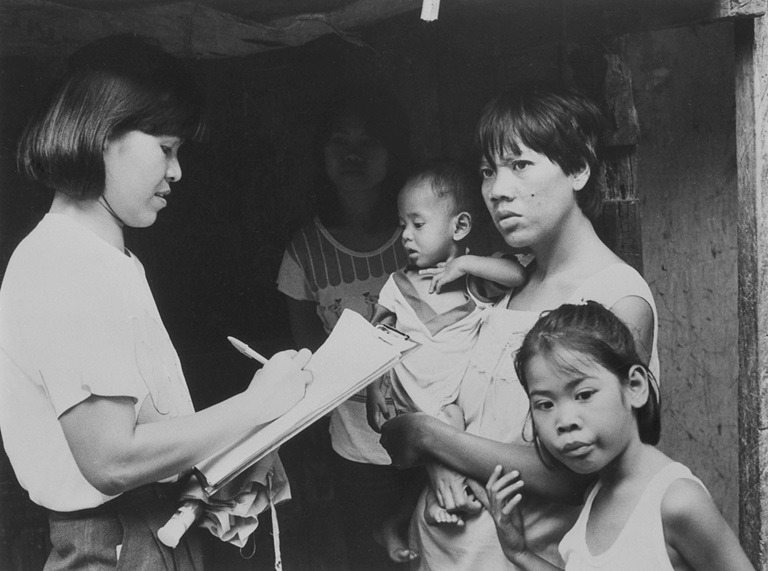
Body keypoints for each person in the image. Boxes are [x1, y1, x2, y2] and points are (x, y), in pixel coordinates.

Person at [0, 34, 313, 571]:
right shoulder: (65, 263)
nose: (177, 171)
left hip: (147, 531)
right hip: (116, 544)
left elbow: (144, 438)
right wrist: (257, 407)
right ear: (101, 136)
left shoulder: (105, 258)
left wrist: (224, 462)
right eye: (166, 148)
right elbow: (111, 460)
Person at [378, 83, 660, 570]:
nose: (498, 190)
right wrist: (430, 473)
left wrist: (429, 438)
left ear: (577, 170)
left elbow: (571, 473)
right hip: (440, 553)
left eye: (520, 164)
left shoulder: (615, 299)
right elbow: (479, 417)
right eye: (488, 171)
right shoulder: (505, 284)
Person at [485, 301, 754, 571]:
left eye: (584, 395)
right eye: (545, 404)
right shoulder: (597, 493)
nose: (564, 421)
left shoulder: (677, 502)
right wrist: (520, 553)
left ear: (635, 386)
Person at [276, 84, 416, 570]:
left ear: (392, 152)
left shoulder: (420, 233)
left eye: (368, 141)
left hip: (434, 440)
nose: (352, 153)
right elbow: (309, 364)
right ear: (322, 153)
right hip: (356, 450)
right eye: (339, 140)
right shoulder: (304, 251)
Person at [365, 159, 526, 562]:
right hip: (406, 399)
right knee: (433, 437)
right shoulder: (397, 285)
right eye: (402, 225)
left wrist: (465, 263)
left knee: (451, 429)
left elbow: (518, 276)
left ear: (459, 228)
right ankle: (426, 507)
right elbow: (373, 341)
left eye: (417, 224)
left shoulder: (473, 282)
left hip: (450, 404)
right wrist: (372, 388)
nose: (405, 236)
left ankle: (434, 505)